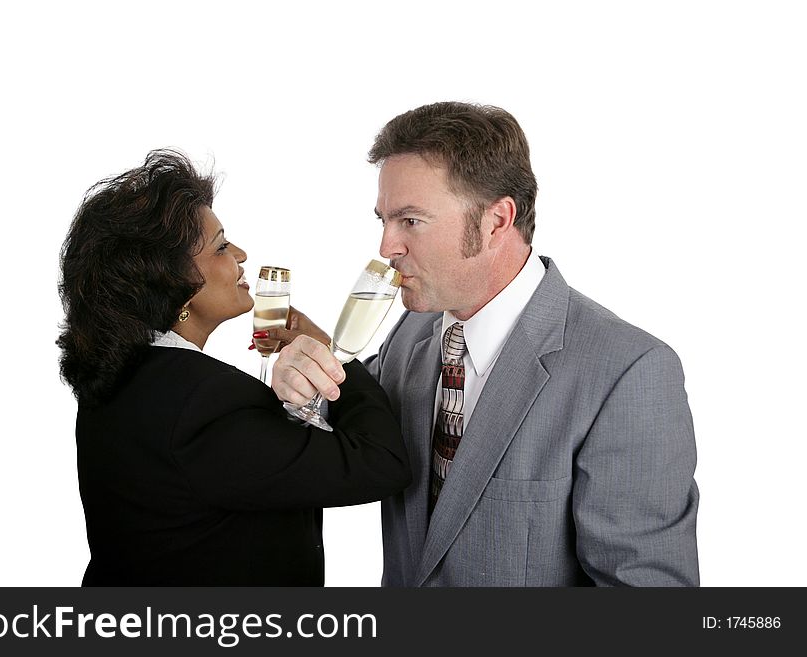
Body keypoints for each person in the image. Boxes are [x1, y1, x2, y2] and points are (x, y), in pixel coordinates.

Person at [269, 102, 700, 586]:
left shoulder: (628, 373)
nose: (387, 247)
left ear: (497, 221)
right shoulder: (410, 337)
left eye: (410, 220)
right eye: (384, 220)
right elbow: (350, 429)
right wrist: (305, 388)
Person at [57, 149, 410, 586]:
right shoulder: (203, 402)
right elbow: (379, 463)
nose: (241, 254)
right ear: (173, 282)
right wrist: (333, 354)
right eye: (221, 246)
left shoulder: (122, 379)